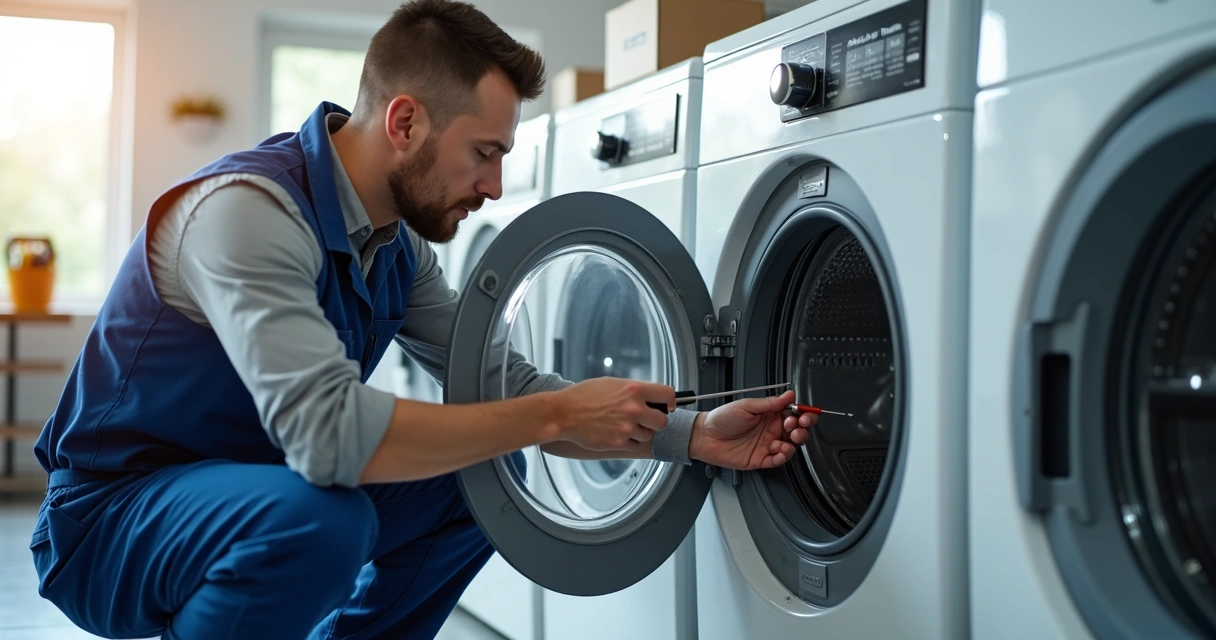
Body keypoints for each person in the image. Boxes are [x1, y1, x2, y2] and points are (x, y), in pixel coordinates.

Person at [29, 1, 815, 638]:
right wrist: (549, 416)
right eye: (483, 153)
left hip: (251, 493)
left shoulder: (395, 248)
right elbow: (330, 437)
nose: (498, 186)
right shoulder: (247, 214)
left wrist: (691, 436)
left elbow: (500, 383)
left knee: (479, 480)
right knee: (321, 520)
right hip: (109, 523)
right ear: (404, 123)